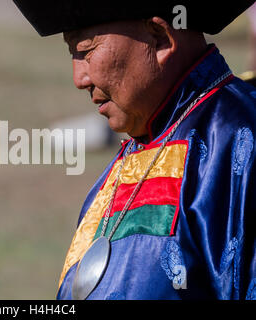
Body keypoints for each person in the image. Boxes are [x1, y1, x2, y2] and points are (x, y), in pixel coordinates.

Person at [13, 0, 256, 299]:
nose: (79, 79)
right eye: (71, 53)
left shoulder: (240, 143)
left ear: (159, 39)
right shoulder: (129, 158)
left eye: (87, 50)